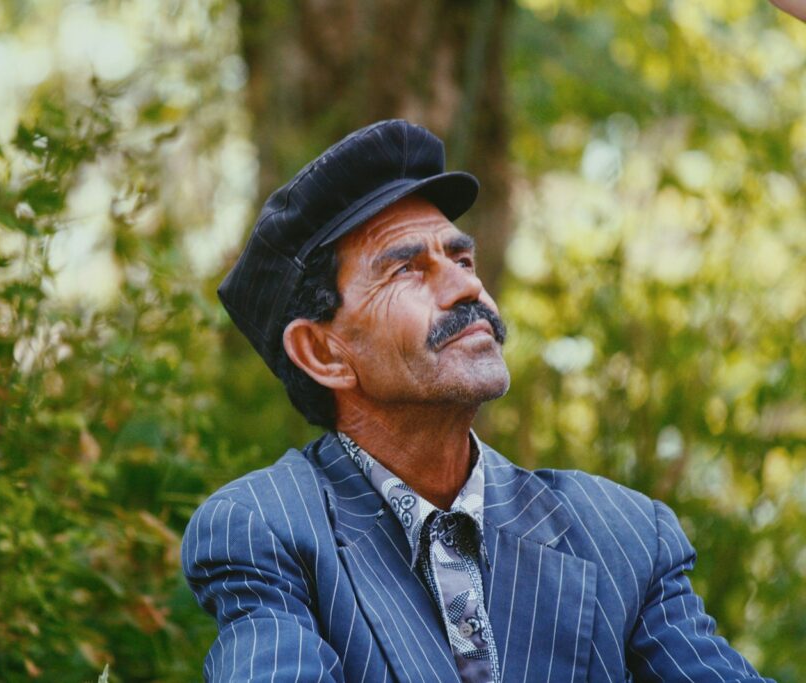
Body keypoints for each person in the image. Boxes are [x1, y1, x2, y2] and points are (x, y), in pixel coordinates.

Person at [181, 120, 772, 682]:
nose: (467, 285)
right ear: (323, 352)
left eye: (461, 259)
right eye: (407, 270)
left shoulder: (624, 532)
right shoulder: (266, 529)